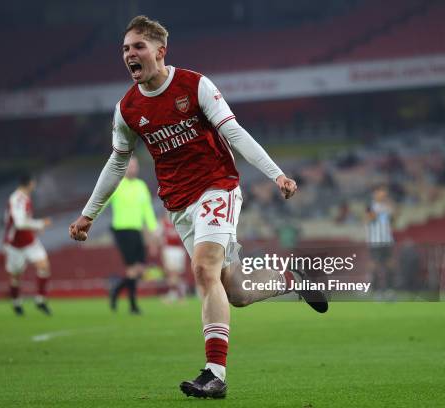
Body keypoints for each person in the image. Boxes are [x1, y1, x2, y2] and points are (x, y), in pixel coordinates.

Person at [69, 15, 328, 399]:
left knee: (204, 269)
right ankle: (293, 279)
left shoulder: (194, 85)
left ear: (160, 51)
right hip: (179, 203)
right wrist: (89, 213)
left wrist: (277, 175)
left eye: (137, 46)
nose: (129, 54)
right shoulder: (127, 109)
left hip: (217, 187)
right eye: (125, 48)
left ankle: (214, 374)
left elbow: (233, 132)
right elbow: (117, 163)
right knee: (233, 291)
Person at [107, 156, 158, 314]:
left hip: (136, 230)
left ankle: (116, 290)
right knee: (132, 269)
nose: (133, 169)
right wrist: (88, 218)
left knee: (141, 268)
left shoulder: (141, 186)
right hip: (121, 230)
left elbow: (147, 210)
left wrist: (153, 229)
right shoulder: (116, 184)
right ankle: (133, 306)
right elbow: (101, 201)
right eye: (130, 166)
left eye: (135, 166)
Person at [3, 173, 52, 316]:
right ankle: (16, 303)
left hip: (29, 241)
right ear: (30, 183)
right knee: (16, 276)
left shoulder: (24, 198)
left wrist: (35, 228)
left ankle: (40, 300)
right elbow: (19, 223)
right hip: (14, 244)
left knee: (44, 266)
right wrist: (40, 223)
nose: (34, 185)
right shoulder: (17, 199)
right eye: (34, 182)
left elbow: (24, 221)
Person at [365, 184, 396, 298]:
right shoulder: (370, 206)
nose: (383, 194)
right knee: (375, 265)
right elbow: (369, 219)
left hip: (387, 240)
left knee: (389, 264)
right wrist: (381, 210)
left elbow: (393, 221)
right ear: (375, 193)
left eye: (385, 192)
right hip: (375, 240)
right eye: (381, 192)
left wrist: (391, 207)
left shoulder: (388, 206)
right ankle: (375, 289)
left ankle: (389, 289)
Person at [159, 212, 187, 303]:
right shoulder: (164, 222)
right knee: (171, 272)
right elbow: (159, 235)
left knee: (176, 273)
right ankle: (176, 294)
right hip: (169, 249)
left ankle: (176, 294)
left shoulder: (179, 220)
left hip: (179, 249)